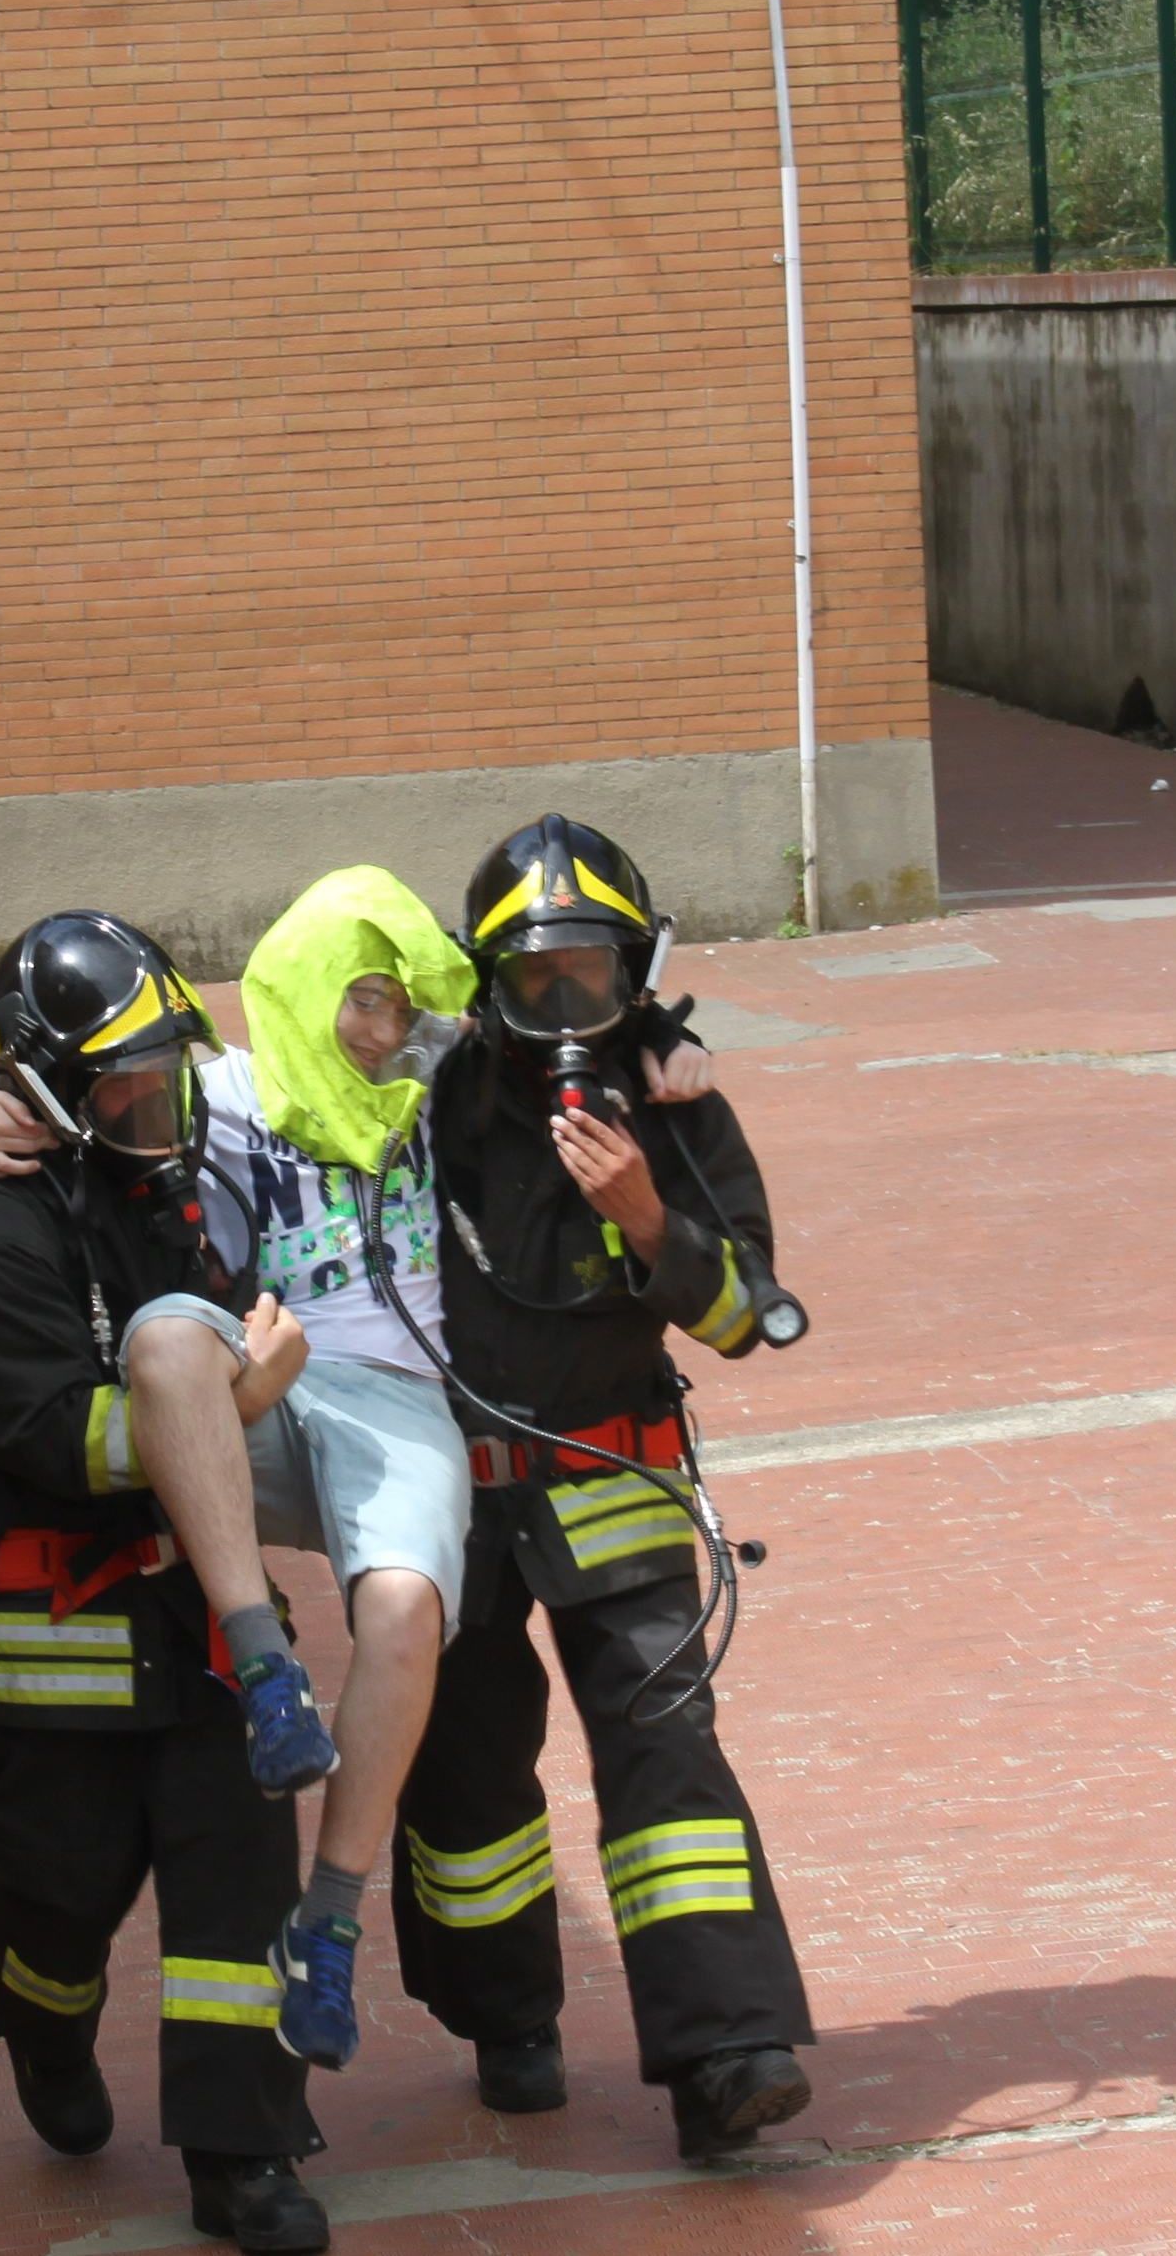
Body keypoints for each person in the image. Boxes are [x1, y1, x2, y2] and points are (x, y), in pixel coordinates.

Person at [0, 868, 718, 2073]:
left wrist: (670, 1041)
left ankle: (333, 1921)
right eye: (363, 999)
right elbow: (78, 1064)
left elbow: (567, 1005)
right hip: (251, 1379)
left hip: (399, 1402)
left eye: (406, 1002)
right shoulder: (226, 1089)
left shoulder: (446, 1081)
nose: (385, 1029)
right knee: (164, 1341)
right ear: (305, 986)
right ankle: (264, 1668)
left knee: (409, 1609)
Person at [0, 911, 331, 2252]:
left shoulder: (152, 1180)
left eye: (164, 1067)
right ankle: (40, 2017)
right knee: (57, 1900)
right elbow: (72, 1445)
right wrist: (251, 1393)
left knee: (237, 1886)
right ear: (57, 1088)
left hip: (189, 1617)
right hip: (47, 1641)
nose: (158, 1098)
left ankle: (242, 2156)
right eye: (125, 1077)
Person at [393, 814, 817, 2162]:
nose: (569, 1002)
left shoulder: (675, 1105)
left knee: (666, 1756)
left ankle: (726, 2056)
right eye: (538, 977)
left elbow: (751, 1313)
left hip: (610, 1485)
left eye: (595, 971)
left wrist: (647, 1213)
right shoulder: (425, 1096)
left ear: (640, 968)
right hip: (451, 1502)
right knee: (464, 1776)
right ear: (487, 980)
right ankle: (505, 2019)